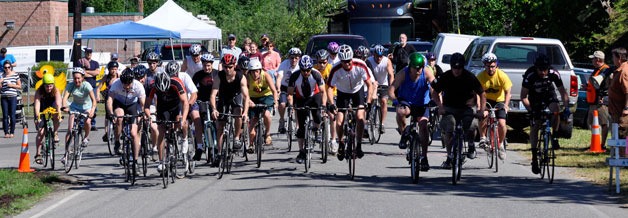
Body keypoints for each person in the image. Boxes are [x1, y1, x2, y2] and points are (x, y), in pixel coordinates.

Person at [431, 53, 486, 168]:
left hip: (467, 107)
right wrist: (440, 106)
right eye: (454, 67)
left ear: (463, 66)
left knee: (471, 126)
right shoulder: (445, 76)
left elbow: (482, 93)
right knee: (449, 129)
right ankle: (450, 156)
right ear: (451, 66)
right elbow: (435, 93)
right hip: (450, 108)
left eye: (459, 68)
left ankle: (471, 144)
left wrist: (481, 110)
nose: (457, 70)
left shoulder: (469, 76)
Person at [521, 54, 570, 174]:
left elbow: (563, 92)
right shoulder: (530, 74)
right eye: (540, 70)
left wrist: (567, 107)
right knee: (535, 125)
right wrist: (531, 110)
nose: (542, 72)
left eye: (545, 70)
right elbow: (523, 97)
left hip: (549, 95)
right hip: (534, 97)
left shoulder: (554, 73)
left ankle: (555, 136)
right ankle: (534, 156)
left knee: (556, 109)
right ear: (536, 68)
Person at [327, 44, 375, 160]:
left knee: (360, 117)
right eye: (344, 61)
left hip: (357, 91)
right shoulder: (336, 69)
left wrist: (368, 102)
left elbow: (370, 85)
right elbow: (329, 88)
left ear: (352, 59)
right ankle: (341, 143)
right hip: (342, 93)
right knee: (339, 122)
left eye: (348, 61)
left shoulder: (360, 65)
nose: (347, 64)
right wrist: (331, 104)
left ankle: (358, 145)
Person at [388, 52, 435, 171]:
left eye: (421, 68)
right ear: (410, 67)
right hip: (407, 101)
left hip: (422, 103)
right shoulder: (403, 73)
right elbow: (392, 90)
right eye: (416, 68)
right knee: (400, 112)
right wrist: (394, 100)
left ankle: (424, 157)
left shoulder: (427, 71)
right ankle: (404, 133)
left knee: (423, 126)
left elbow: (434, 87)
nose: (419, 70)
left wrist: (435, 99)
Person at [145, 71, 188, 172]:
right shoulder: (153, 87)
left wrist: (184, 118)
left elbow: (185, 102)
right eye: (162, 91)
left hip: (176, 105)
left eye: (166, 90)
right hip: (162, 107)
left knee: (180, 122)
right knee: (161, 130)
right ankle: (161, 162)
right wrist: (149, 117)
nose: (164, 92)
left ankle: (183, 139)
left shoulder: (176, 83)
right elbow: (146, 105)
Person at [287, 55, 327, 163]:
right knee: (301, 128)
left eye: (308, 70)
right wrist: (291, 106)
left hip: (315, 96)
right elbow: (290, 94)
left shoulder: (316, 74)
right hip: (301, 98)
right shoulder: (294, 76)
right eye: (303, 70)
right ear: (300, 69)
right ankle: (301, 151)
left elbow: (323, 92)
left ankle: (317, 131)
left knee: (317, 116)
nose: (306, 72)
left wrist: (323, 105)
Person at [210, 54, 250, 151]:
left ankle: (236, 137)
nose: (227, 69)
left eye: (230, 67)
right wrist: (214, 109)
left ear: (234, 65)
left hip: (236, 96)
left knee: (238, 113)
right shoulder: (219, 76)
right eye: (225, 67)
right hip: (224, 97)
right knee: (220, 125)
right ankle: (219, 151)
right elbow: (213, 95)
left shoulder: (240, 76)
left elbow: (246, 96)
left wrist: (245, 112)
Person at [476, 53, 511, 160]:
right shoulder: (480, 76)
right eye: (488, 66)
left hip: (499, 101)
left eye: (492, 66)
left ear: (496, 65)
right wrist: (480, 107)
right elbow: (477, 93)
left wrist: (506, 105)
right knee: (483, 115)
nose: (490, 69)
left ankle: (500, 144)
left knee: (501, 123)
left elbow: (508, 92)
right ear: (484, 66)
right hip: (485, 100)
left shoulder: (502, 75)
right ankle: (482, 137)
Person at [106, 69, 145, 161]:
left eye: (129, 84)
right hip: (119, 103)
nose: (127, 86)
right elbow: (109, 100)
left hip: (132, 105)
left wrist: (141, 114)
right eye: (124, 84)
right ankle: (117, 141)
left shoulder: (138, 86)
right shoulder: (116, 84)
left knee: (133, 133)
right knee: (119, 117)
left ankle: (135, 160)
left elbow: (143, 103)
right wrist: (111, 113)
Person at [61, 67, 97, 164]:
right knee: (70, 130)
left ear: (82, 78)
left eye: (78, 78)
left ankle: (86, 137)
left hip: (86, 107)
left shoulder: (87, 85)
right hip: (75, 107)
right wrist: (64, 106)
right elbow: (65, 97)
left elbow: (94, 100)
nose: (77, 80)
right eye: (75, 78)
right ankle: (66, 154)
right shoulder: (71, 85)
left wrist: (92, 111)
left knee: (88, 121)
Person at [165, 61, 199, 162]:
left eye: (174, 74)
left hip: (187, 101)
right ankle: (171, 141)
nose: (172, 77)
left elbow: (194, 93)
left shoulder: (184, 76)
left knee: (187, 118)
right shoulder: (166, 78)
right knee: (169, 124)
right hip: (172, 103)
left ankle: (185, 139)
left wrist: (188, 105)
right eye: (170, 75)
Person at [246, 58, 279, 148]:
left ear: (260, 70)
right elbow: (244, 91)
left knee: (267, 115)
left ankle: (267, 134)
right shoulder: (247, 77)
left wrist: (275, 101)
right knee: (252, 122)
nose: (255, 74)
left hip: (266, 97)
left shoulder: (266, 75)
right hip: (253, 98)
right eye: (252, 72)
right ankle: (251, 144)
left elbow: (274, 90)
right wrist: (248, 100)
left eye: (256, 71)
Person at [192, 53, 218, 160]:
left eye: (208, 65)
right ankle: (199, 147)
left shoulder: (217, 74)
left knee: (217, 121)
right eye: (204, 65)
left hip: (216, 100)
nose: (207, 68)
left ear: (212, 64)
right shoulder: (197, 75)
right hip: (202, 101)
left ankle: (217, 146)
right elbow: (193, 91)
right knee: (200, 122)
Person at [33, 74, 62, 164]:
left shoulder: (56, 90)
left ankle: (55, 133)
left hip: (52, 109)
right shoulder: (39, 91)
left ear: (53, 85)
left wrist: (59, 113)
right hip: (41, 111)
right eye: (47, 86)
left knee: (57, 116)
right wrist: (37, 117)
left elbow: (58, 103)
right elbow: (37, 105)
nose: (49, 88)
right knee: (41, 132)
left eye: (50, 86)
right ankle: (38, 154)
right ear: (43, 85)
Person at [314, 49, 339, 154]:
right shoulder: (313, 70)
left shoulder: (331, 69)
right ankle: (317, 130)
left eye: (325, 62)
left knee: (333, 116)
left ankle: (333, 140)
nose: (322, 64)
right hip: (318, 94)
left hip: (331, 94)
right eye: (320, 62)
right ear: (317, 61)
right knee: (317, 114)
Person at [586, 50, 611, 150]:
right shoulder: (597, 69)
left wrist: (604, 98)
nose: (592, 61)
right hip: (593, 101)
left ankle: (602, 145)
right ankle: (594, 143)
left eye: (593, 59)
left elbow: (606, 86)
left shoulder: (606, 71)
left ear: (598, 60)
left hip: (601, 102)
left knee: (603, 123)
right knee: (592, 123)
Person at [367, 44, 395, 134]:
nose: (379, 58)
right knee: (369, 100)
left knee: (383, 101)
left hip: (383, 84)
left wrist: (392, 87)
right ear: (373, 55)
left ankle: (382, 123)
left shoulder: (387, 61)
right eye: (377, 56)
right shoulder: (369, 61)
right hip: (372, 83)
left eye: (380, 56)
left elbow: (391, 75)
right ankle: (369, 118)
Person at [276, 47, 302, 134]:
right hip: (285, 87)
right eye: (292, 57)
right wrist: (278, 89)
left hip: (297, 88)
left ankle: (298, 126)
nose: (294, 60)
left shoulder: (301, 65)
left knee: (298, 107)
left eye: (296, 58)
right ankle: (282, 120)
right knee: (282, 104)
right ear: (289, 57)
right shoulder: (284, 64)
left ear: (299, 58)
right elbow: (279, 78)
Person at [608, 47, 628, 148]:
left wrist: (626, 109)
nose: (613, 60)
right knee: (617, 138)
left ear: (619, 57)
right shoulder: (619, 70)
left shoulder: (624, 72)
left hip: (622, 114)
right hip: (616, 111)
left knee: (622, 138)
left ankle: (622, 161)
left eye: (613, 57)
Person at [78, 48, 100, 131]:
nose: (89, 54)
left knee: (94, 106)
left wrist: (87, 71)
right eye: (87, 52)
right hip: (83, 88)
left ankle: (92, 124)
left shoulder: (95, 63)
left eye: (90, 52)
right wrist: (91, 73)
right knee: (82, 105)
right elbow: (81, 74)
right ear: (85, 53)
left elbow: (97, 72)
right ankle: (81, 123)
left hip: (93, 87)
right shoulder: (80, 62)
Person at [99, 61, 120, 143]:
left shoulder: (119, 76)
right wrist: (97, 95)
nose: (113, 71)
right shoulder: (106, 77)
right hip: (109, 98)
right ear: (109, 69)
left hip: (118, 97)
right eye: (112, 69)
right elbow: (99, 87)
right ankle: (107, 133)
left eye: (115, 69)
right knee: (108, 116)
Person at [1, 60, 21, 138]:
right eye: (5, 68)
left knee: (12, 115)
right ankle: (6, 132)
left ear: (11, 67)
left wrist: (12, 85)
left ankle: (12, 132)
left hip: (12, 97)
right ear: (3, 68)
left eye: (8, 67)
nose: (7, 69)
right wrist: (0, 82)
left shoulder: (15, 75)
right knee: (5, 116)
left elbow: (19, 86)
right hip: (4, 97)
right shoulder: (2, 75)